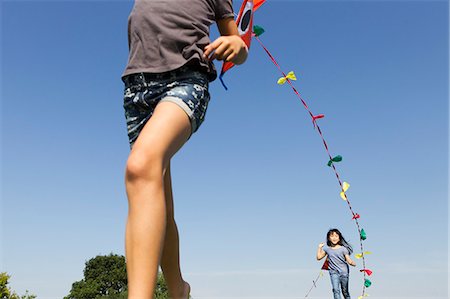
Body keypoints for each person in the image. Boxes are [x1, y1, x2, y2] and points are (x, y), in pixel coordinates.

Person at [120, 1, 248, 298]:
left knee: (139, 167)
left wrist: (236, 45)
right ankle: (178, 289)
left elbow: (239, 45)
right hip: (136, 91)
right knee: (156, 194)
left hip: (186, 80)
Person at [316, 229, 356, 299]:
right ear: (329, 238)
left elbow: (348, 259)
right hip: (333, 272)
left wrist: (352, 263)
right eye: (332, 236)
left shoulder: (343, 249)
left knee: (345, 291)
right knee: (335, 289)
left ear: (339, 238)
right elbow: (319, 257)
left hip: (344, 272)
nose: (334, 238)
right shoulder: (327, 249)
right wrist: (319, 248)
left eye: (336, 236)